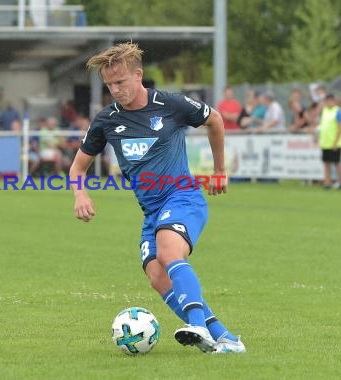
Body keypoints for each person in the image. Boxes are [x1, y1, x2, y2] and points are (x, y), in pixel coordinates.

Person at [69, 42, 245, 354]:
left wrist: (219, 170)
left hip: (183, 197)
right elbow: (77, 167)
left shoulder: (171, 105)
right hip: (152, 211)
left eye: (120, 82)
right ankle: (225, 338)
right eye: (109, 85)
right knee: (156, 275)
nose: (115, 90)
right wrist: (80, 194)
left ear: (139, 75)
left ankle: (197, 325)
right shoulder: (107, 120)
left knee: (168, 251)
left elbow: (214, 120)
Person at [318, 94, 341, 190]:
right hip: (325, 143)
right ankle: (327, 182)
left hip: (335, 143)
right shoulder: (324, 111)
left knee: (337, 163)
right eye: (327, 101)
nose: (329, 103)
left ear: (334, 102)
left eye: (331, 101)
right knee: (326, 163)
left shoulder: (337, 111)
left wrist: (336, 142)